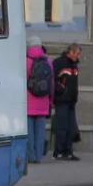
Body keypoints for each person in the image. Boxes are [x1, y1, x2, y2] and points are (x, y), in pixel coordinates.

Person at [25, 35, 54, 163]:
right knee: (41, 131)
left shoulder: (25, 61)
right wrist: (50, 100)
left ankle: (30, 156)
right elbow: (51, 83)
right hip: (43, 101)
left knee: (29, 131)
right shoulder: (48, 62)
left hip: (28, 101)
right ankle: (39, 156)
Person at [51, 43, 81, 161]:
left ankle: (68, 151)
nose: (78, 56)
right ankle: (58, 151)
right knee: (62, 127)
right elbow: (53, 80)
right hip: (62, 99)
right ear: (71, 52)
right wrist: (60, 90)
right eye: (77, 54)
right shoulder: (59, 63)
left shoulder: (74, 65)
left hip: (71, 100)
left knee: (70, 127)